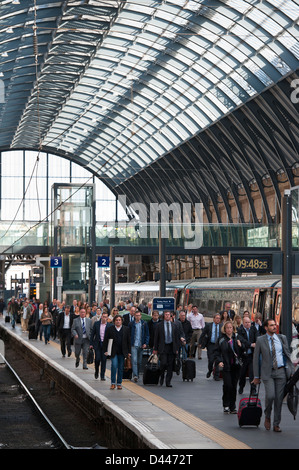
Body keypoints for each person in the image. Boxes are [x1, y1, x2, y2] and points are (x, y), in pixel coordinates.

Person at [252, 319, 294, 432]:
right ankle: (267, 416)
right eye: (271, 325)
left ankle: (276, 424)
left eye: (275, 325)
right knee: (270, 396)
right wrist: (256, 376)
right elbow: (255, 359)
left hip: (281, 372)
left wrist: (291, 369)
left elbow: (288, 354)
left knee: (279, 399)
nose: (274, 327)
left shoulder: (282, 338)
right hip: (268, 373)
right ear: (266, 328)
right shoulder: (260, 340)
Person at [215, 320, 245, 414]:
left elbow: (244, 348)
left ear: (233, 329)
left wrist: (241, 345)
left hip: (236, 366)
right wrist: (219, 361)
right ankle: (226, 405)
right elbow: (217, 352)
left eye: (231, 328)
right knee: (227, 385)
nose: (229, 329)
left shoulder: (237, 338)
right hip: (226, 366)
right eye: (227, 328)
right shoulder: (221, 339)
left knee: (234, 386)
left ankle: (233, 406)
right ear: (224, 329)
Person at [153, 310, 181, 387]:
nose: (167, 316)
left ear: (171, 316)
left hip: (171, 347)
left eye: (169, 315)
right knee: (163, 363)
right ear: (163, 316)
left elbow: (176, 338)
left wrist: (177, 348)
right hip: (163, 347)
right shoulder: (159, 325)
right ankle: (161, 376)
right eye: (166, 315)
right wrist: (155, 348)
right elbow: (156, 338)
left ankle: (168, 381)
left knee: (170, 366)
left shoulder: (174, 325)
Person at [103, 314, 131, 390]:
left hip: (123, 351)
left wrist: (129, 352)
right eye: (116, 320)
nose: (118, 321)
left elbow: (129, 341)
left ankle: (119, 383)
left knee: (121, 367)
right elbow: (106, 340)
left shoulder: (126, 329)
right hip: (113, 351)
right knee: (114, 366)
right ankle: (112, 383)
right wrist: (105, 350)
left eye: (119, 320)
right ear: (114, 321)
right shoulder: (110, 329)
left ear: (121, 321)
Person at [237, 316, 258, 394]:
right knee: (242, 374)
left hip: (252, 356)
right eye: (246, 322)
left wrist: (256, 343)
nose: (248, 324)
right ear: (243, 323)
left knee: (252, 374)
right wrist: (251, 344)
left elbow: (257, 337)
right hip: (244, 356)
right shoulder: (240, 330)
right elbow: (242, 340)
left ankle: (253, 389)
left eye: (249, 322)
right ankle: (241, 387)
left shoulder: (254, 329)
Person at [200, 313, 222, 380]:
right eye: (217, 318)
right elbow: (203, 334)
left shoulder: (222, 326)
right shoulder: (208, 325)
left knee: (218, 360)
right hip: (210, 345)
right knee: (211, 360)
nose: (218, 319)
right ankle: (210, 370)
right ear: (214, 318)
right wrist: (200, 342)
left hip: (218, 345)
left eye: (219, 318)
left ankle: (216, 375)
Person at [129, 311, 149, 382]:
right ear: (134, 316)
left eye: (139, 315)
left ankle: (137, 374)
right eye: (136, 315)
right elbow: (129, 334)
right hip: (134, 344)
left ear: (141, 316)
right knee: (134, 361)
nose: (138, 317)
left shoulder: (144, 323)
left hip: (141, 345)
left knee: (139, 361)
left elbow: (147, 334)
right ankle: (135, 375)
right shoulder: (131, 324)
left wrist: (146, 343)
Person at [90, 311, 111, 380]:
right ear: (101, 317)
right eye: (103, 317)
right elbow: (92, 334)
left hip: (105, 345)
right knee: (97, 359)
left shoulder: (109, 326)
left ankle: (102, 376)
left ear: (107, 318)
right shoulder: (96, 324)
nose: (104, 318)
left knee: (104, 360)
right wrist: (91, 344)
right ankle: (96, 371)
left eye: (106, 317)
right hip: (98, 344)